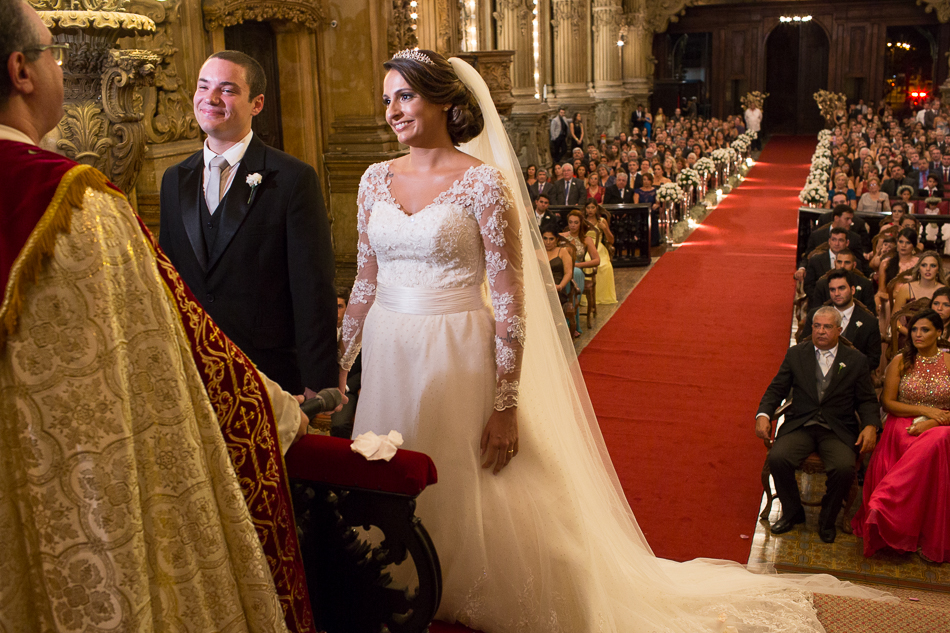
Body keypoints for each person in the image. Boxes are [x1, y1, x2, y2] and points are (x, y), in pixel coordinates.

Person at [339, 48, 891, 632]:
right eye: (386, 99)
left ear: (445, 101)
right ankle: (406, 579)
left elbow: (508, 300)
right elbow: (364, 281)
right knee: (395, 472)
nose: (393, 110)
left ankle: (465, 582)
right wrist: (339, 368)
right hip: (388, 351)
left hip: (456, 350)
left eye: (406, 96)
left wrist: (504, 404)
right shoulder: (375, 178)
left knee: (466, 479)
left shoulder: (482, 183)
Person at [0, 2, 314, 629]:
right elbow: (165, 335)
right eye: (53, 55)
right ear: (22, 71)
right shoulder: (77, 208)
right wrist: (283, 410)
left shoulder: (291, 178)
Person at [159, 51, 338, 397]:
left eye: (227, 90)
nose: (210, 98)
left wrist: (320, 383)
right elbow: (171, 280)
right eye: (203, 86)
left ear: (256, 104)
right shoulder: (173, 180)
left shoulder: (291, 178)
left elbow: (312, 288)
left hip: (269, 372)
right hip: (194, 368)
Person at [756, 307, 880, 543]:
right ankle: (793, 513)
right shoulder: (796, 354)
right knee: (778, 458)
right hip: (801, 424)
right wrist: (763, 413)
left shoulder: (855, 360)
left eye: (827, 327)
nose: (821, 331)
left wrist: (871, 425)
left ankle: (827, 518)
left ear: (838, 330)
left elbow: (866, 400)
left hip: (837, 428)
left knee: (844, 468)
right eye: (816, 326)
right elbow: (777, 389)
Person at [851, 310, 950, 562]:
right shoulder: (901, 360)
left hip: (942, 424)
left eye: (925, 330)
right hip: (902, 421)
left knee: (937, 441)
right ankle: (890, 518)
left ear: (939, 333)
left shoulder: (949, 363)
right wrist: (923, 410)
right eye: (914, 329)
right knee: (914, 442)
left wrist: (930, 422)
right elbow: (888, 402)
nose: (917, 334)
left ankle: (887, 500)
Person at [799, 270, 881, 371]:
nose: (836, 293)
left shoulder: (869, 321)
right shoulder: (815, 315)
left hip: (853, 379)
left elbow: (873, 360)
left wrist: (847, 371)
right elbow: (803, 348)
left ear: (853, 290)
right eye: (832, 290)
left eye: (841, 288)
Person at [561, 209, 600, 336]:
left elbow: (597, 260)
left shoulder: (586, 239)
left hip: (577, 270)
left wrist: (578, 264)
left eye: (576, 222)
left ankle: (572, 323)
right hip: (562, 269)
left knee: (575, 273)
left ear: (580, 223)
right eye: (570, 222)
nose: (572, 225)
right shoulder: (561, 237)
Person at [331, 287, 361, 439]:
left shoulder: (359, 334)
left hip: (346, 391)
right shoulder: (318, 331)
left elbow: (364, 370)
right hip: (318, 389)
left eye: (339, 306)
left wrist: (346, 387)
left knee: (340, 425)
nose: (335, 311)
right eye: (332, 306)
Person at [810, 250, 877, 316]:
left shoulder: (865, 284)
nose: (842, 266)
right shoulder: (822, 284)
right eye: (839, 262)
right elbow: (815, 313)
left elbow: (870, 313)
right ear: (835, 263)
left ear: (854, 265)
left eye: (847, 262)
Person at [584, 200, 617, 305]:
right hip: (586, 247)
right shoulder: (582, 221)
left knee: (605, 266)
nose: (590, 210)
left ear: (596, 208)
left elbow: (611, 240)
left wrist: (605, 229)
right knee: (587, 261)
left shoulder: (602, 221)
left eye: (592, 207)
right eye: (588, 208)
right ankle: (588, 298)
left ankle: (604, 296)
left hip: (599, 247)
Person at [543, 225, 573, 306]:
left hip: (557, 289)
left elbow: (568, 273)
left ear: (557, 239)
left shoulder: (562, 252)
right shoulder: (536, 252)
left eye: (551, 239)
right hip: (539, 288)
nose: (548, 242)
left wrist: (560, 286)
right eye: (545, 238)